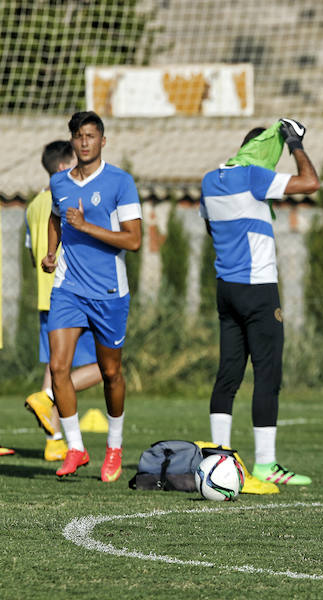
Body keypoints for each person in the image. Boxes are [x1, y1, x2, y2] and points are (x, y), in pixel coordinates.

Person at [200, 118, 320, 487]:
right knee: (267, 376)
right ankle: (266, 465)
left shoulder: (210, 180)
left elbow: (210, 226)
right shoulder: (253, 176)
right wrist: (295, 144)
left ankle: (218, 463)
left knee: (228, 374)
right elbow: (311, 182)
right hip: (258, 287)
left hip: (226, 288)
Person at [43, 111, 142, 481]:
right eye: (79, 136)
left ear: (103, 141)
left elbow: (134, 240)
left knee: (110, 372)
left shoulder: (120, 182)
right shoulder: (58, 182)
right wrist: (52, 253)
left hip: (108, 292)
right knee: (58, 368)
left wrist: (87, 226)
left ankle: (114, 448)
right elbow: (56, 218)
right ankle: (76, 448)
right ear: (72, 141)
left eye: (91, 136)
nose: (84, 142)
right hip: (68, 287)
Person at [24, 140, 103, 462]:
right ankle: (46, 397)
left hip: (46, 295)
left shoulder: (31, 206)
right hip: (71, 293)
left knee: (54, 365)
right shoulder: (69, 199)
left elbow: (34, 253)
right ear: (61, 168)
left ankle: (55, 441)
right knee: (104, 366)